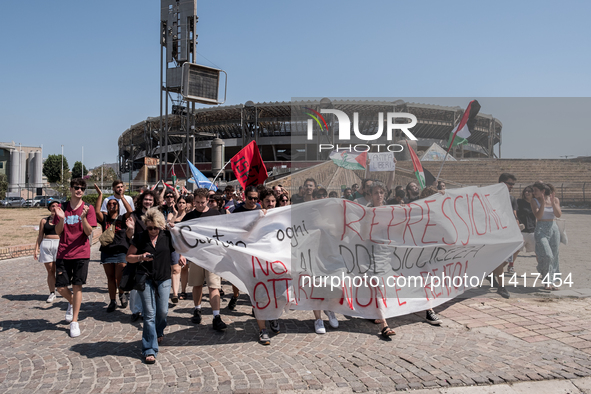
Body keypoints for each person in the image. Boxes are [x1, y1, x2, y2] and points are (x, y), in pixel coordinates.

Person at [126, 208, 186, 364]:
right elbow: (129, 257)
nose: (152, 230)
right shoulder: (140, 237)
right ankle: (149, 349)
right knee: (149, 314)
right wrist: (140, 257)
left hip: (164, 278)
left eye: (155, 227)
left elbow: (180, 246)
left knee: (163, 311)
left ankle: (159, 330)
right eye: (149, 227)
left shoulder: (167, 236)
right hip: (145, 279)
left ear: (161, 225)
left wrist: (182, 256)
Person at [54, 178, 97, 338]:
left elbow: (88, 232)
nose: (79, 190)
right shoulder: (61, 208)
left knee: (77, 286)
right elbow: (58, 231)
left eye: (82, 188)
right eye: (76, 187)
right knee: (60, 287)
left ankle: (74, 321)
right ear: (71, 189)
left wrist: (84, 218)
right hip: (63, 253)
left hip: (81, 253)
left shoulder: (88, 208)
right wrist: (62, 219)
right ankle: (72, 302)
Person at [181, 188, 228, 331]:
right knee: (197, 284)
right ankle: (197, 309)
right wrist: (182, 253)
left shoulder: (215, 214)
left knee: (214, 286)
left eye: (202, 202)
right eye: (197, 202)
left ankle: (216, 316)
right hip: (196, 256)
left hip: (213, 257)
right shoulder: (190, 216)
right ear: (193, 201)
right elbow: (180, 233)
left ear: (208, 200)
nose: (200, 205)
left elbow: (225, 233)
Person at [94, 183, 133, 312]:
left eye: (114, 204)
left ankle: (121, 294)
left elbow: (130, 211)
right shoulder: (104, 219)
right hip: (107, 251)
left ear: (118, 206)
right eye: (110, 204)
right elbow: (97, 211)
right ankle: (112, 301)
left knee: (120, 277)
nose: (112, 205)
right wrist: (100, 195)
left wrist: (121, 198)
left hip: (121, 250)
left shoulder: (122, 218)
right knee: (110, 278)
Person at [127, 190, 161, 321]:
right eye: (146, 199)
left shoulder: (157, 214)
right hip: (138, 250)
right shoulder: (134, 215)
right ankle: (136, 310)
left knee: (154, 281)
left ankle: (150, 309)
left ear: (154, 202)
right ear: (141, 200)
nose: (148, 202)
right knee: (138, 283)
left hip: (154, 249)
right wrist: (130, 228)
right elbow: (129, 235)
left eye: (150, 200)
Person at [490, 173, 518, 298]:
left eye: (513, 184)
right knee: (500, 258)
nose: (512, 186)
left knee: (514, 250)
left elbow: (514, 215)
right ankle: (501, 286)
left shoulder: (511, 199)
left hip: (507, 230)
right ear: (502, 183)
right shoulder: (492, 197)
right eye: (510, 183)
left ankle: (491, 272)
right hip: (495, 231)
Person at [531, 182, 562, 290]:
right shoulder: (534, 201)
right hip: (541, 229)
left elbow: (558, 215)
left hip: (553, 228)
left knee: (554, 255)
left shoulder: (555, 199)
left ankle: (550, 281)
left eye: (535, 190)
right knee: (547, 255)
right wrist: (543, 203)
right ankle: (544, 275)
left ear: (542, 191)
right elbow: (538, 216)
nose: (533, 192)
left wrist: (553, 203)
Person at [34, 200, 61, 303]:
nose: (54, 208)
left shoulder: (62, 220)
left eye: (57, 206)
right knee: (50, 271)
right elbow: (40, 235)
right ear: (49, 208)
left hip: (59, 244)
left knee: (60, 270)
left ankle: (63, 290)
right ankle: (52, 292)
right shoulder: (44, 221)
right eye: (52, 206)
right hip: (46, 244)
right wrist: (36, 248)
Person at [513, 186, 536, 273]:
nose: (527, 193)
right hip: (521, 230)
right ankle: (511, 265)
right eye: (525, 191)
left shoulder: (535, 203)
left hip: (532, 230)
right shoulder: (519, 202)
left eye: (529, 191)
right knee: (516, 251)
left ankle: (542, 268)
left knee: (537, 251)